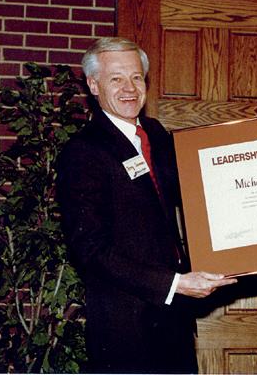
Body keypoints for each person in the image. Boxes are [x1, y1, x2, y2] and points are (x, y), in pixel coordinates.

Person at [56, 37, 237, 374]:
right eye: (116, 79)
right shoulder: (83, 151)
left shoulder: (155, 134)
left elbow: (204, 186)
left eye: (136, 77)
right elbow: (90, 249)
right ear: (93, 85)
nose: (129, 88)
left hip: (174, 321)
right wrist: (174, 284)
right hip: (125, 330)